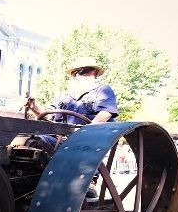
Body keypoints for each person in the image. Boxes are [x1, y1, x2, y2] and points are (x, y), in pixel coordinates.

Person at [25, 56, 119, 197]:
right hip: (60, 139)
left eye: (83, 71)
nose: (79, 76)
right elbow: (50, 116)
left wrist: (83, 132)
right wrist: (34, 108)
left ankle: (89, 181)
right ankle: (34, 178)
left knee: (82, 145)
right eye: (76, 73)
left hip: (88, 140)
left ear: (94, 73)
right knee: (34, 141)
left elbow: (106, 113)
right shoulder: (64, 96)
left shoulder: (103, 91)